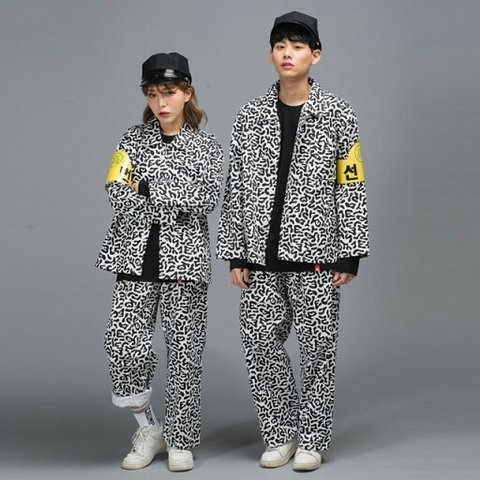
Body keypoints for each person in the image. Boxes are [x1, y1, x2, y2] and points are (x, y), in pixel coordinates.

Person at [216, 11, 369, 472]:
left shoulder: (338, 114)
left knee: (318, 348)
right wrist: (235, 252)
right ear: (270, 55)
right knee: (259, 343)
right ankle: (280, 432)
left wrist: (351, 251)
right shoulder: (249, 116)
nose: (288, 53)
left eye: (298, 46)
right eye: (280, 46)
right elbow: (235, 186)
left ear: (315, 55)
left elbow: (351, 184)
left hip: (318, 254)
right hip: (260, 256)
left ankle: (313, 439)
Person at [95, 52, 223, 472]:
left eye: (168, 92)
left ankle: (181, 438)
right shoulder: (131, 140)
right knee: (122, 344)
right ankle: (149, 427)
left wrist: (147, 187)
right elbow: (116, 190)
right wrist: (170, 196)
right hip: (133, 255)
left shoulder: (207, 147)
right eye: (152, 94)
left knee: (185, 353)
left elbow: (205, 198)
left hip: (185, 262)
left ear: (187, 93)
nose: (160, 102)